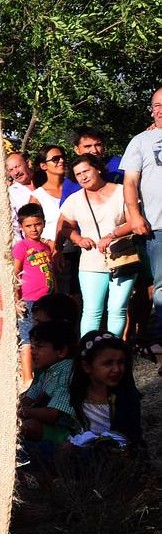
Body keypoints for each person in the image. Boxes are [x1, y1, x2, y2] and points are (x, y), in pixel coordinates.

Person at [59, 155, 136, 336]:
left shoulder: (121, 191)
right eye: (78, 174)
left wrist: (113, 234)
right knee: (92, 311)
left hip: (122, 257)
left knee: (118, 309)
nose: (83, 177)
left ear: (98, 169)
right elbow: (65, 225)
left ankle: (114, 348)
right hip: (91, 261)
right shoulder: (75, 199)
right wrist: (77, 239)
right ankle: (88, 353)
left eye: (86, 171)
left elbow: (134, 221)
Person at [122, 86, 162, 357]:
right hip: (158, 225)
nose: (160, 110)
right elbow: (130, 181)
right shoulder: (140, 141)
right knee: (160, 285)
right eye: (157, 105)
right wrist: (135, 215)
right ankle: (160, 339)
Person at [66, 331, 142, 454]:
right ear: (86, 366)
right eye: (108, 363)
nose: (117, 369)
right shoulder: (75, 395)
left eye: (121, 362)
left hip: (115, 454)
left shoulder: (125, 397)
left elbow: (128, 436)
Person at [18, 319, 77, 447]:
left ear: (61, 351)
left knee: (28, 426)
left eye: (39, 347)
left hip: (66, 432)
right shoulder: (47, 372)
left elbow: (52, 415)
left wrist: (24, 411)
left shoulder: (67, 372)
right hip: (49, 425)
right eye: (32, 347)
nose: (33, 352)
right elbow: (28, 398)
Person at [13, 203, 54, 383]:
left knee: (44, 337)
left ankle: (43, 374)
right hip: (28, 300)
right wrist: (16, 299)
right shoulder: (21, 247)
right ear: (21, 227)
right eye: (28, 226)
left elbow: (50, 272)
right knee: (27, 338)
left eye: (37, 224)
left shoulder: (45, 247)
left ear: (43, 223)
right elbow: (14, 273)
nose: (34, 229)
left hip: (46, 299)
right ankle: (27, 378)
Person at [6, 152, 35, 239]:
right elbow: (13, 225)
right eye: (11, 170)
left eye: (17, 166)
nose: (15, 172)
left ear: (28, 163)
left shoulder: (45, 181)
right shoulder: (11, 193)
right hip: (33, 247)